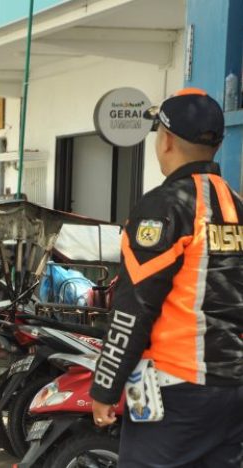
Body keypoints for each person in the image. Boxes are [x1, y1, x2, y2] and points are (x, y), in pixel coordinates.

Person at [90, 88, 243, 467]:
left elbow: (134, 307)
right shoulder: (236, 205)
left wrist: (105, 385)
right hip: (232, 391)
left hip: (175, 391)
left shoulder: (165, 205)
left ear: (167, 140)